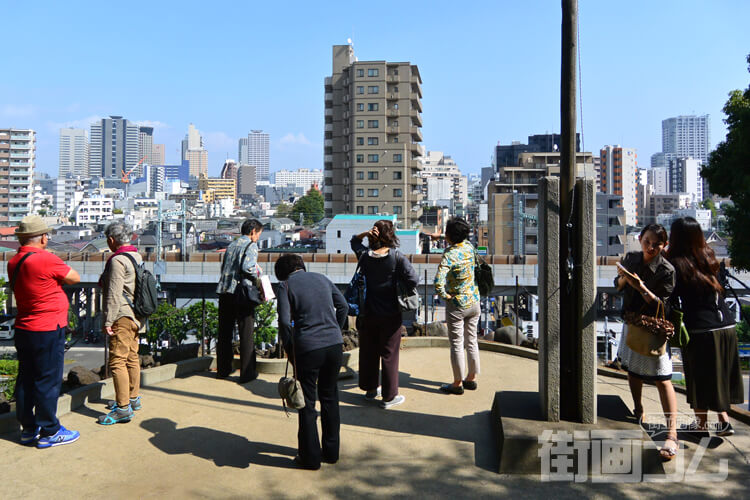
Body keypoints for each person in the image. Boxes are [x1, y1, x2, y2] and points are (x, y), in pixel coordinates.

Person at [666, 217, 743, 436]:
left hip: (701, 328)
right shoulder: (708, 255)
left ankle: (701, 425)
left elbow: (670, 296)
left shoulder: (676, 263)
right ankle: (723, 420)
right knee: (720, 375)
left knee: (699, 376)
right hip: (727, 326)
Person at [9, 215, 81, 448]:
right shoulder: (45, 259)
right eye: (46, 235)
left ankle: (28, 429)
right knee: (48, 380)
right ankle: (50, 430)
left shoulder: (14, 261)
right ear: (41, 237)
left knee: (26, 379)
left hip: (25, 328)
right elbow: (74, 277)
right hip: (48, 328)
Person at [275, 254, 348, 470]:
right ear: (302, 266)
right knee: (330, 397)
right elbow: (343, 306)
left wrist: (290, 349)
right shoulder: (322, 279)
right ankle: (332, 452)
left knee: (307, 403)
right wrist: (336, 329)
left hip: (308, 348)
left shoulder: (285, 286)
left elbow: (285, 323)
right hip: (334, 346)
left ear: (282, 272)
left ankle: (310, 457)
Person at [615, 223, 679, 461]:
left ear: (665, 245)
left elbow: (664, 305)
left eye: (657, 244)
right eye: (647, 241)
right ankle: (638, 409)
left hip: (654, 328)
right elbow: (618, 286)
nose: (651, 247)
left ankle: (672, 433)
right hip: (632, 323)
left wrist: (640, 287)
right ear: (640, 239)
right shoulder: (632, 258)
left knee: (663, 379)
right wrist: (623, 279)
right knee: (633, 371)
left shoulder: (667, 269)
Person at [350, 220, 418, 409]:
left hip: (367, 312)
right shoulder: (397, 257)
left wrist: (365, 233)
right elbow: (413, 279)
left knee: (368, 352)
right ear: (390, 235)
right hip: (390, 313)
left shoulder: (364, 256)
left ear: (374, 235)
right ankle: (389, 397)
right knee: (389, 354)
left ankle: (370, 390)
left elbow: (354, 242)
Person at [98, 221, 143, 425]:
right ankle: (132, 399)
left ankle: (123, 408)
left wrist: (108, 320)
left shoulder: (117, 261)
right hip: (136, 315)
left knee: (117, 361)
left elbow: (114, 293)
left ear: (111, 239)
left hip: (122, 316)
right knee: (132, 357)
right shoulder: (136, 255)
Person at [434, 217, 481, 395]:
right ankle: (472, 378)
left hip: (458, 304)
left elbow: (438, 282)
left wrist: (446, 296)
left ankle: (457, 383)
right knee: (472, 341)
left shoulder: (449, 254)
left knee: (456, 343)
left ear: (449, 236)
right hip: (474, 301)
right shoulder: (469, 246)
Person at [215, 219, 263, 382]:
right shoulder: (251, 245)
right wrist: (259, 277)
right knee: (246, 332)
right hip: (241, 294)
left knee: (224, 332)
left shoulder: (232, 245)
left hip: (224, 291)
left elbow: (225, 268)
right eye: (258, 234)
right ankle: (247, 372)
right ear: (253, 232)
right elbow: (247, 268)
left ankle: (223, 369)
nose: (257, 238)